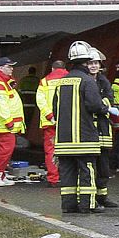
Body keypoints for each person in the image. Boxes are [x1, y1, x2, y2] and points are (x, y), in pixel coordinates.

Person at [52, 41, 105, 214]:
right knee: (87, 171)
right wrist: (105, 108)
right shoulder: (88, 81)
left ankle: (68, 205)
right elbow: (95, 106)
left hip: (64, 140)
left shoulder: (61, 82)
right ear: (86, 62)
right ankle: (87, 204)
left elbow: (55, 109)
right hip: (85, 139)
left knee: (67, 172)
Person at [0, 57, 26, 186]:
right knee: (5, 150)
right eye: (9, 66)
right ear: (1, 68)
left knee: (1, 150)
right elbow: (0, 104)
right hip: (3, 124)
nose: (12, 69)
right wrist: (8, 121)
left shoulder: (2, 82)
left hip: (2, 123)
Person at [93, 51, 119, 209]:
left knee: (103, 166)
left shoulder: (104, 81)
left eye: (96, 63)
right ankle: (91, 198)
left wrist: (103, 104)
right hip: (89, 129)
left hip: (103, 129)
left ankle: (102, 196)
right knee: (90, 166)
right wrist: (102, 105)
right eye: (90, 63)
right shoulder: (85, 81)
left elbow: (109, 99)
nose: (94, 66)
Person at [36, 58, 67, 188]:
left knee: (51, 150)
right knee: (68, 150)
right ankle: (68, 177)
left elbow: (40, 100)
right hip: (68, 122)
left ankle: (53, 178)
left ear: (52, 69)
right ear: (64, 68)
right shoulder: (71, 79)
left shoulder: (44, 81)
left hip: (50, 122)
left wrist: (49, 115)